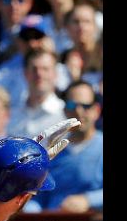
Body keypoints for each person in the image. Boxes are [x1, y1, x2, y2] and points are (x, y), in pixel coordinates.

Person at [30, 81, 102, 213]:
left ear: (97, 110)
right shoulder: (51, 150)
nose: (79, 111)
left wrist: (88, 200)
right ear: (64, 109)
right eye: (72, 105)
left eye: (86, 106)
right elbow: (39, 197)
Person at [8, 48, 67, 138]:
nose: (39, 74)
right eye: (34, 69)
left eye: (45, 69)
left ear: (55, 74)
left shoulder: (65, 115)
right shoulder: (10, 114)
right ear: (25, 73)